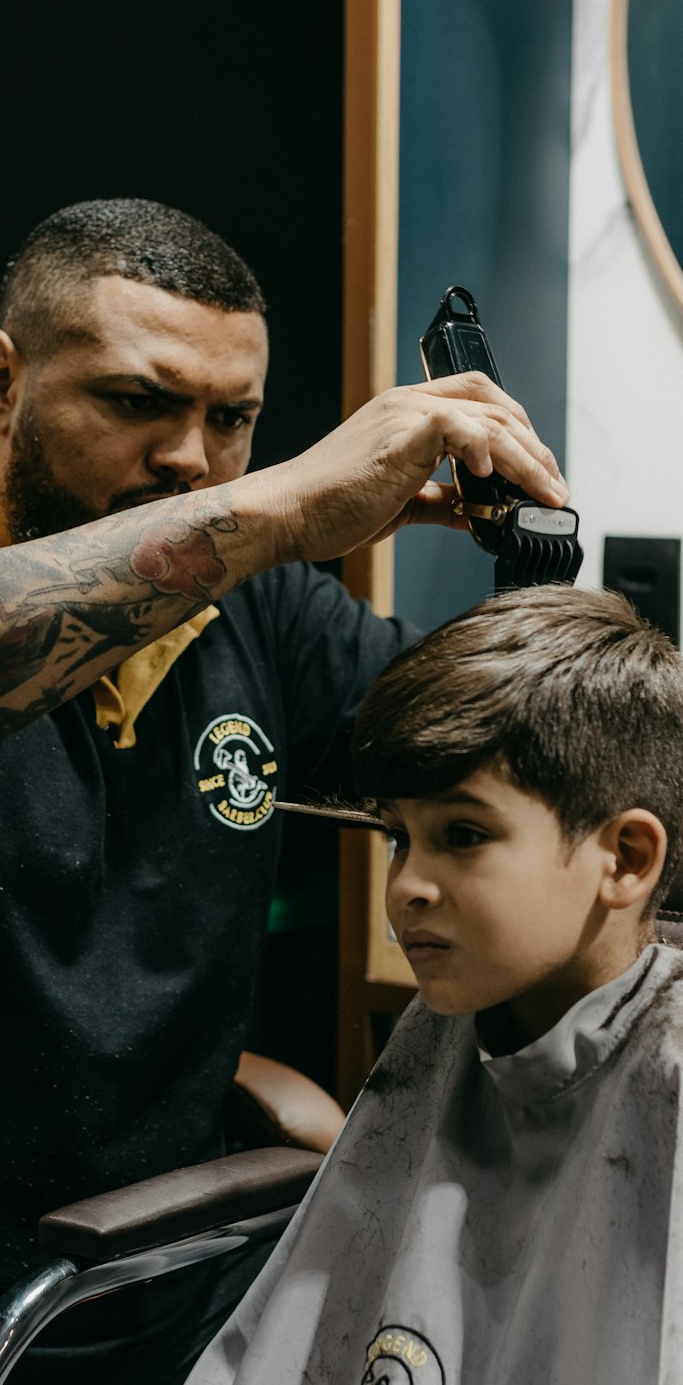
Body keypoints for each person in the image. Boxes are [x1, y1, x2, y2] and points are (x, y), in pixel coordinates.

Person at [0, 198, 568, 1385]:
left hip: (155, 1280)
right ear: (2, 383)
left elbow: (517, 759)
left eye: (233, 421)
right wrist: (274, 512)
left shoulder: (258, 614)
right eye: (137, 402)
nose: (189, 461)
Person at [187, 582, 683, 1385]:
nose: (407, 885)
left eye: (462, 835)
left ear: (624, 858)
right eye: (397, 838)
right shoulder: (453, 1018)